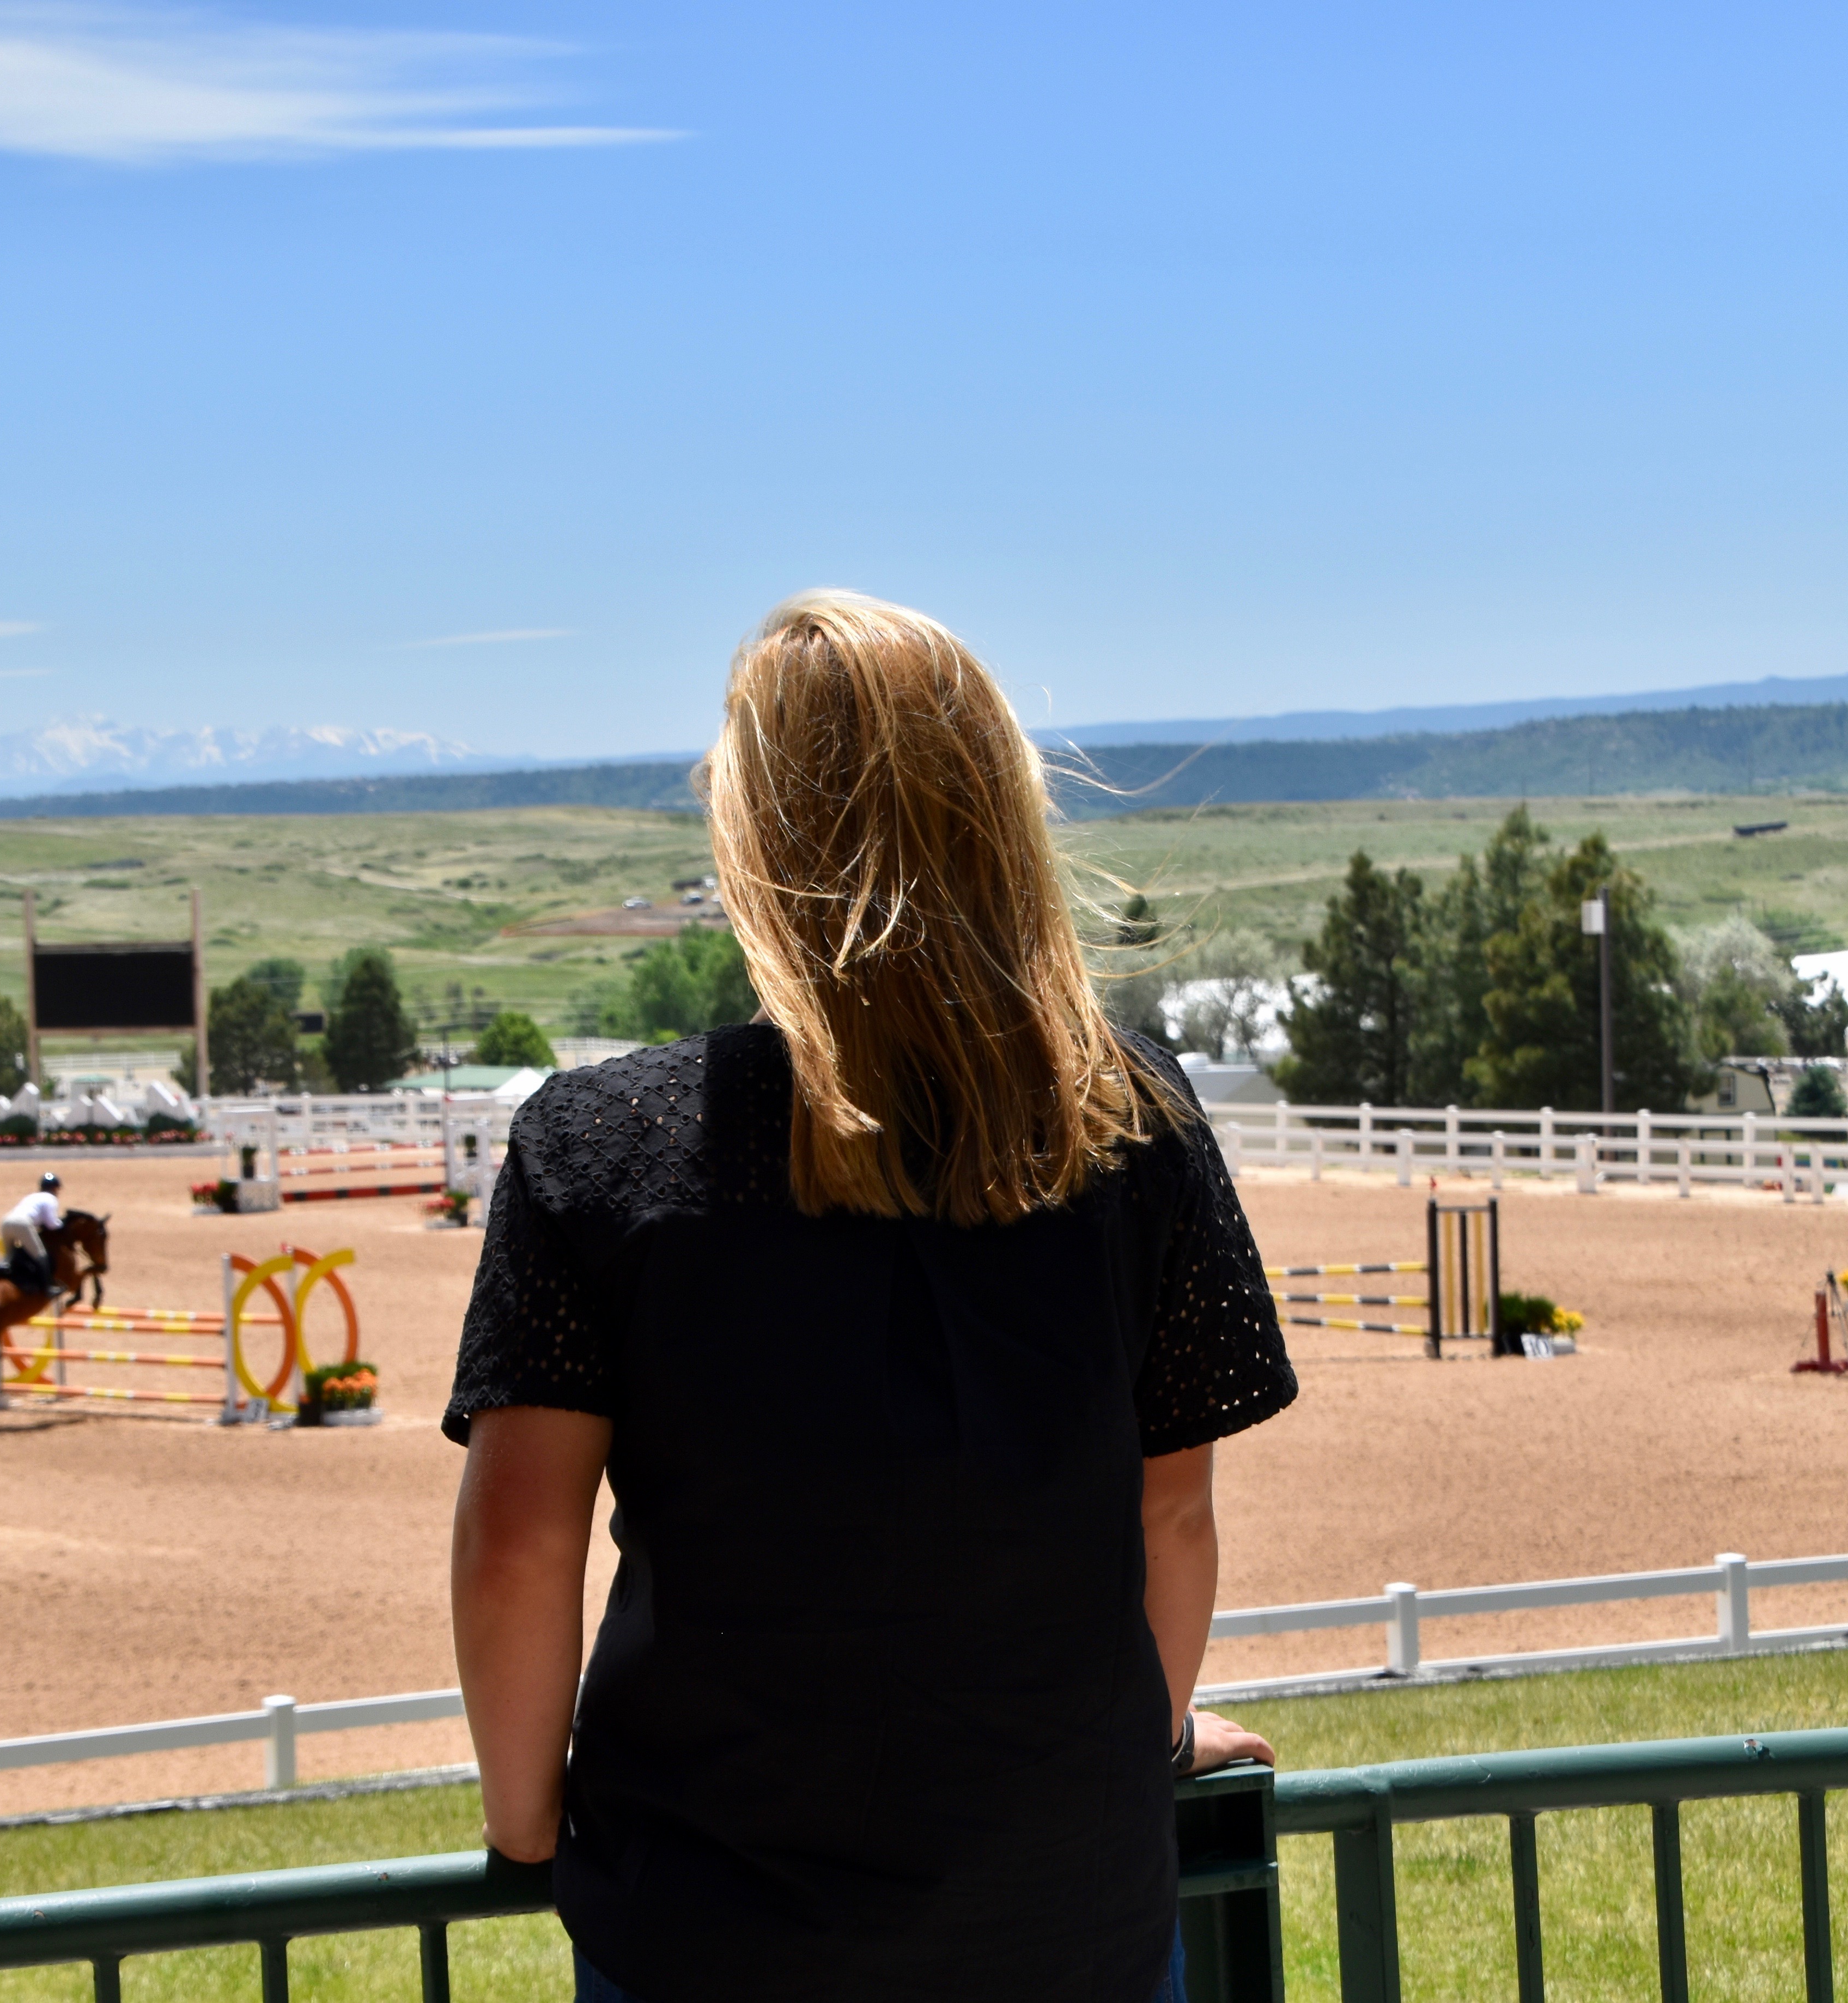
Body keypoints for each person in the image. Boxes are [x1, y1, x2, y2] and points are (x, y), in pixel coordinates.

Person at [447, 591, 1297, 2003]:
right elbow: (1170, 1511)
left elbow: (521, 1545)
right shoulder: (1128, 1122)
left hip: (712, 1931)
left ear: (749, 838)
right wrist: (1139, 1744)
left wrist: (525, 1819)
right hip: (1070, 1917)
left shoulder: (600, 1144)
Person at [0, 1172, 66, 1302]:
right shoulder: (51, 1199)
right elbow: (52, 1224)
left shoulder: (32, 1197)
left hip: (6, 1222)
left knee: (9, 1258)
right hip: (22, 1223)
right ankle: (48, 1288)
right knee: (41, 1255)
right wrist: (62, 1225)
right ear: (54, 1188)